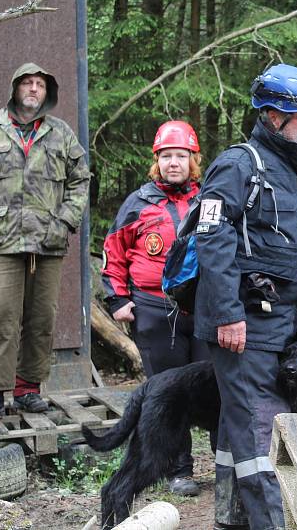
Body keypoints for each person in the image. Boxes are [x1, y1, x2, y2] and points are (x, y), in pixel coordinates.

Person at [193, 63, 297, 530]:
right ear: (272, 116)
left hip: (283, 323)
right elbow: (211, 239)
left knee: (239, 426)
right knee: (261, 432)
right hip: (242, 324)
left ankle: (232, 520)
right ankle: (273, 522)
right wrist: (228, 314)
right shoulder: (237, 164)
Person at [0, 63, 91, 422]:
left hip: (48, 242)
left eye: (39, 84)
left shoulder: (61, 134)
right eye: (27, 83)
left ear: (47, 92)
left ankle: (28, 389)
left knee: (41, 319)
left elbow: (80, 180)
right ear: (14, 89)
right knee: (0, 319)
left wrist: (66, 221)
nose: (33, 89)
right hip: (2, 243)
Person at [101, 120, 210, 496]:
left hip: (202, 307)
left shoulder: (209, 198)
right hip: (153, 308)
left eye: (180, 156)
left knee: (216, 384)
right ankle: (179, 470)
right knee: (169, 392)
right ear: (156, 161)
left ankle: (229, 461)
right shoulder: (138, 203)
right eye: (166, 156)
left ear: (193, 160)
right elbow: (113, 252)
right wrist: (118, 299)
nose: (173, 163)